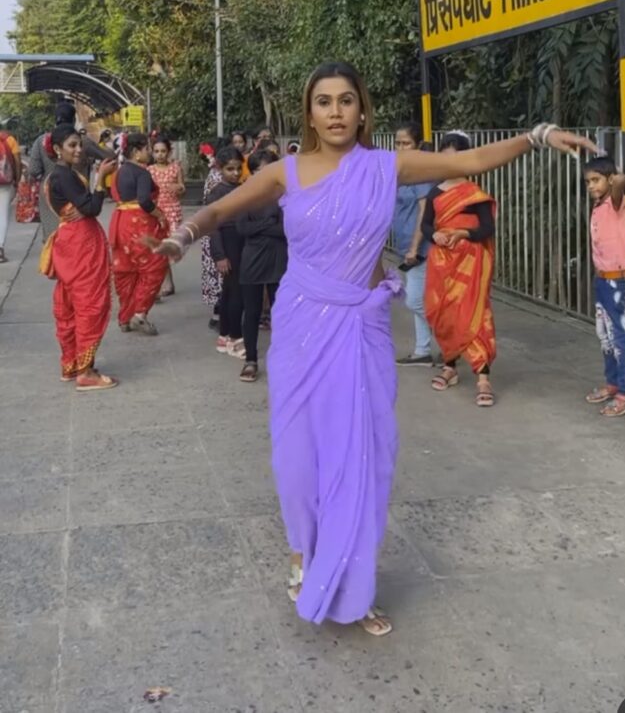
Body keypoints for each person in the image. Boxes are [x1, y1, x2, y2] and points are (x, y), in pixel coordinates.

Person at [149, 62, 594, 636]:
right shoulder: (286, 172)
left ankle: (352, 586)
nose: (336, 112)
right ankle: (303, 553)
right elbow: (216, 211)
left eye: (346, 101)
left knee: (360, 453)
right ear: (309, 112)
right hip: (302, 324)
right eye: (324, 102)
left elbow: (469, 162)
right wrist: (180, 238)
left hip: (361, 330)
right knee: (298, 455)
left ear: (362, 110)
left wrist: (536, 135)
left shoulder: (389, 166)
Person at [422, 131, 497, 407]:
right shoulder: (434, 192)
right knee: (445, 314)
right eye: (445, 157)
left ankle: (483, 377)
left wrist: (463, 233)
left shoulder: (475, 194)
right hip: (442, 262)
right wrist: (436, 236)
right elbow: (426, 226)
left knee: (474, 313)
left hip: (470, 262)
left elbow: (487, 228)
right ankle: (450, 366)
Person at [41, 123, 118, 390]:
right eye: (71, 145)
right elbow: (93, 208)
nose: (77, 149)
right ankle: (85, 373)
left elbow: (85, 208)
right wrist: (100, 181)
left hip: (72, 244)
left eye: (78, 144)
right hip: (80, 248)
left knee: (72, 305)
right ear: (57, 149)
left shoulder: (60, 175)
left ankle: (72, 365)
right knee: (88, 305)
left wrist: (85, 205)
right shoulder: (64, 176)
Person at [583, 156, 625, 418]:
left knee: (619, 338)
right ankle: (613, 383)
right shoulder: (599, 205)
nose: (590, 186)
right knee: (604, 335)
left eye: (595, 180)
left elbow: (619, 180)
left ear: (608, 180)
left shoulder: (616, 202)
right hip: (602, 280)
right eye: (587, 182)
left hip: (617, 281)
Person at [236, 149, 288, 383]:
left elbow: (286, 230)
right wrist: (269, 223)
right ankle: (251, 360)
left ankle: (283, 360)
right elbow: (241, 229)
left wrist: (261, 226)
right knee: (252, 312)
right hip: (252, 259)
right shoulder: (245, 195)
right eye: (258, 171)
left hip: (279, 258)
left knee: (281, 312)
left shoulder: (285, 195)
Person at [109, 133, 169, 335]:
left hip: (121, 223)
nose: (150, 153)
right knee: (154, 266)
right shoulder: (142, 173)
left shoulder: (119, 172)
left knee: (126, 271)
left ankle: (124, 318)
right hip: (139, 224)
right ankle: (140, 314)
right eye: (147, 149)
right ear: (136, 152)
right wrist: (159, 214)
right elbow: (144, 200)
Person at [392, 121, 434, 366]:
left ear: (417, 145)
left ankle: (453, 340)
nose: (400, 147)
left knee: (415, 300)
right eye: (398, 143)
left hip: (421, 247)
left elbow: (423, 211)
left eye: (406, 143)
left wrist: (415, 248)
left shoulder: (419, 172)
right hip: (406, 244)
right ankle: (422, 350)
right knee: (418, 297)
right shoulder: (401, 172)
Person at [207, 146, 246, 358]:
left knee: (231, 292)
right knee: (235, 293)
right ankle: (234, 337)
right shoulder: (216, 193)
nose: (236, 173)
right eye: (230, 169)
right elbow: (212, 227)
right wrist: (219, 255)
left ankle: (224, 334)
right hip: (227, 242)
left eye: (238, 168)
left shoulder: (241, 188)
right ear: (220, 169)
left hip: (241, 241)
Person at [148, 135, 185, 297]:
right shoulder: (149, 170)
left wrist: (178, 188)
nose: (160, 154)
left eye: (163, 151)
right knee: (159, 248)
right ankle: (165, 283)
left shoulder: (175, 168)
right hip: (157, 212)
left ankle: (165, 283)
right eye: (156, 151)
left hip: (173, 212)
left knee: (171, 248)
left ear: (169, 152)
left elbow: (183, 188)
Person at [200, 142, 224, 329]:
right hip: (217, 229)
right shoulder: (217, 177)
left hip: (215, 227)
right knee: (219, 272)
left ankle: (220, 312)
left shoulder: (217, 174)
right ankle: (219, 314)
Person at [0, 128, 21, 262]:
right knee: (2, 214)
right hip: (5, 182)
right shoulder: (9, 139)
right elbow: (17, 161)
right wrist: (17, 180)